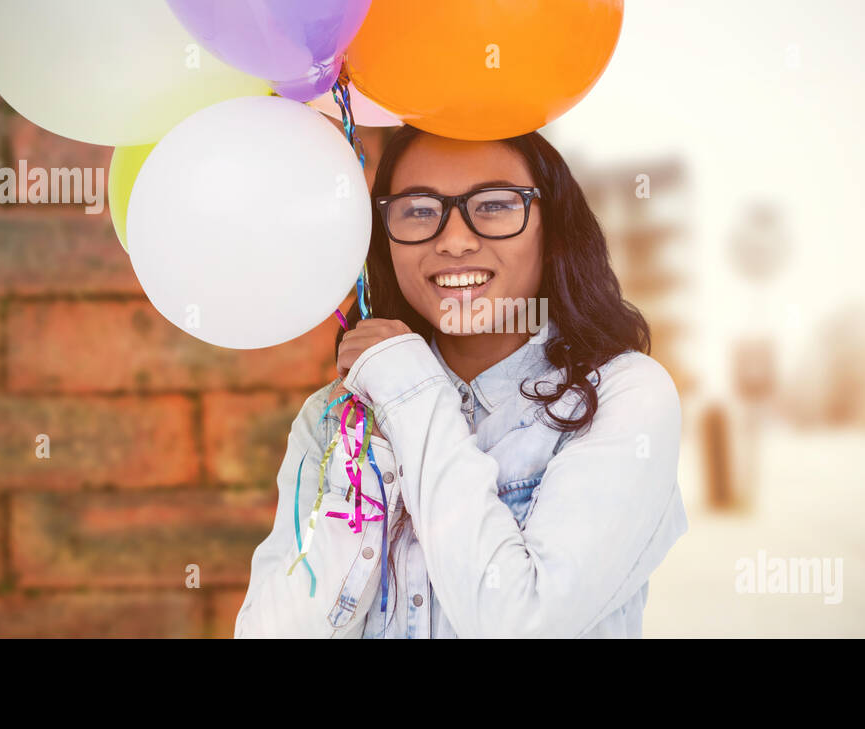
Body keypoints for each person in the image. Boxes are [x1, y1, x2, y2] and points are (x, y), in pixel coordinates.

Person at [235, 125, 687, 638]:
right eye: (419, 210)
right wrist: (372, 458)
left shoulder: (624, 397)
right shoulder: (334, 417)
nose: (453, 240)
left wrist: (411, 391)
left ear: (553, 225)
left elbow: (522, 624)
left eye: (494, 205)